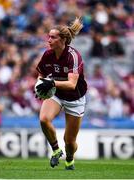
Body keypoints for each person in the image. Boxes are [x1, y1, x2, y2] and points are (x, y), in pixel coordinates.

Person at [35, 17, 87, 170]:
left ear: (63, 39)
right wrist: (39, 86)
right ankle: (56, 150)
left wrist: (50, 83)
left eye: (53, 37)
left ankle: (69, 159)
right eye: (48, 36)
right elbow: (41, 74)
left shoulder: (73, 56)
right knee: (44, 119)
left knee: (70, 141)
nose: (49, 40)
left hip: (75, 99)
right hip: (57, 94)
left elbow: (71, 85)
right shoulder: (47, 55)